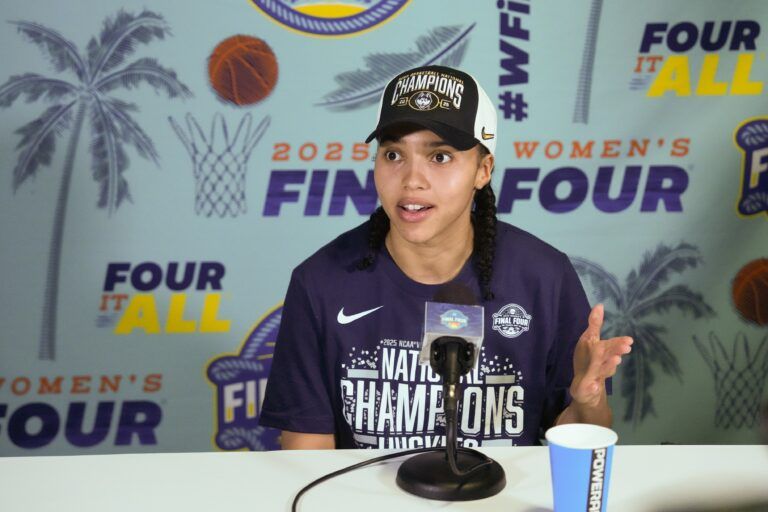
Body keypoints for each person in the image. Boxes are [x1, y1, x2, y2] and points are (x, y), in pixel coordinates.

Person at [259, 65, 633, 450]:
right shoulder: (320, 282)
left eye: (439, 157)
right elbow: (307, 460)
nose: (412, 180)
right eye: (393, 154)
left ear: (482, 170)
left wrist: (589, 401)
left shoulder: (544, 277)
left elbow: (581, 442)